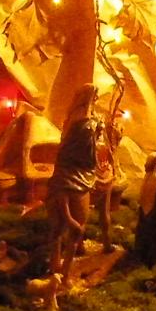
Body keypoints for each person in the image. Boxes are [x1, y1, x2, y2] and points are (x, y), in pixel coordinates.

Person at [47, 83, 100, 286]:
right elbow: (88, 152)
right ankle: (66, 272)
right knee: (76, 230)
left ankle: (54, 264)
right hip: (79, 175)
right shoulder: (87, 123)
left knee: (56, 230)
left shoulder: (70, 118)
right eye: (95, 98)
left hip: (62, 173)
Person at [134, 152, 156, 268]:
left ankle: (142, 254)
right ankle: (154, 258)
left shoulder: (148, 176)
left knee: (145, 233)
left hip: (146, 213)